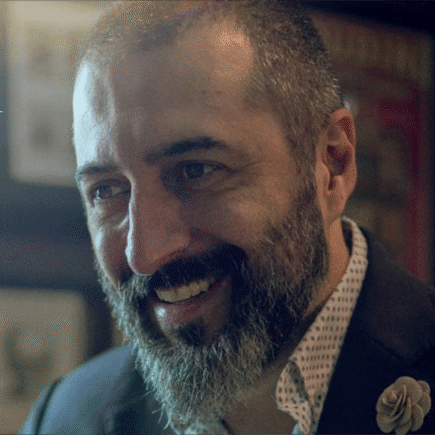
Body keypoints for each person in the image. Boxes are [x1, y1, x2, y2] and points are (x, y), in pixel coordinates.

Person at [21, 1, 435, 434]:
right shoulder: (66, 418)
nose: (144, 255)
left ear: (333, 163)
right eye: (105, 190)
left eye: (195, 171)